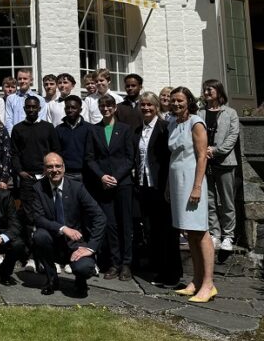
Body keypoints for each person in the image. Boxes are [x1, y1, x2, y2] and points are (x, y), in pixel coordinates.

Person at [29, 153, 106, 298]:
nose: (54, 170)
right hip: (52, 240)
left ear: (64, 168)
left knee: (84, 268)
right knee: (39, 236)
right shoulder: (38, 188)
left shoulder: (77, 188)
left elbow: (99, 216)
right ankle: (52, 279)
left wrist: (90, 247)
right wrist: (63, 229)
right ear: (44, 170)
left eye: (58, 166)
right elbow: (38, 218)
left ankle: (80, 281)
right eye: (50, 167)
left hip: (76, 243)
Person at [167, 87, 216, 302]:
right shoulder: (172, 123)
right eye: (173, 100)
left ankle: (208, 283)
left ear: (188, 101)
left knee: (201, 232)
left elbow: (202, 156)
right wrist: (169, 185)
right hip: (177, 182)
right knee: (190, 233)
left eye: (180, 100)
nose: (176, 104)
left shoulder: (196, 122)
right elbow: (174, 157)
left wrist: (197, 187)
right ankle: (196, 280)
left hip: (192, 181)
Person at [85, 94, 136, 281]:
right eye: (102, 106)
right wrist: (102, 176)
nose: (105, 109)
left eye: (108, 106)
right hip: (104, 185)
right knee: (111, 225)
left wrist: (116, 176)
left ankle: (127, 264)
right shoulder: (94, 130)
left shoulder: (125, 129)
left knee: (125, 223)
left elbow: (130, 158)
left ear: (115, 108)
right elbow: (90, 158)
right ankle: (114, 263)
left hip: (122, 184)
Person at [136, 92, 182, 287]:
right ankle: (159, 270)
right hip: (144, 185)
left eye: (149, 105)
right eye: (143, 105)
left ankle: (172, 274)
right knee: (152, 230)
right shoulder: (139, 129)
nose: (146, 108)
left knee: (167, 231)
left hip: (162, 186)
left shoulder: (164, 128)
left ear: (156, 107)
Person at [199, 79, 240, 252]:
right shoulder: (199, 113)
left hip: (224, 162)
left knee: (227, 200)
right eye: (205, 90)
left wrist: (215, 150)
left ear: (219, 91)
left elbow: (233, 136)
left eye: (210, 89)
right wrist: (203, 151)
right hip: (205, 162)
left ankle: (228, 236)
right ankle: (215, 233)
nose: (207, 92)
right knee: (209, 200)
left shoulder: (230, 113)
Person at [10, 96, 60, 198]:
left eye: (34, 107)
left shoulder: (48, 127)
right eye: (28, 107)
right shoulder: (17, 129)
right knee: (28, 209)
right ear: (24, 109)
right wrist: (20, 171)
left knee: (47, 208)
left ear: (39, 108)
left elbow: (56, 151)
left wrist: (49, 170)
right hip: (26, 178)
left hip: (46, 176)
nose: (31, 110)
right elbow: (14, 153)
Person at [55, 95, 91, 182]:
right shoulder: (58, 129)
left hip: (86, 174)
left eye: (73, 108)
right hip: (65, 174)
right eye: (67, 108)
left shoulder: (90, 129)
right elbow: (56, 151)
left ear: (80, 110)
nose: (70, 110)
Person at [4, 67, 47, 132]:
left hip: (34, 134)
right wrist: (12, 135)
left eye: (25, 79)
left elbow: (41, 119)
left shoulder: (40, 99)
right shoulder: (10, 99)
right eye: (20, 79)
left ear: (31, 80)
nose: (22, 81)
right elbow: (8, 119)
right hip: (16, 135)